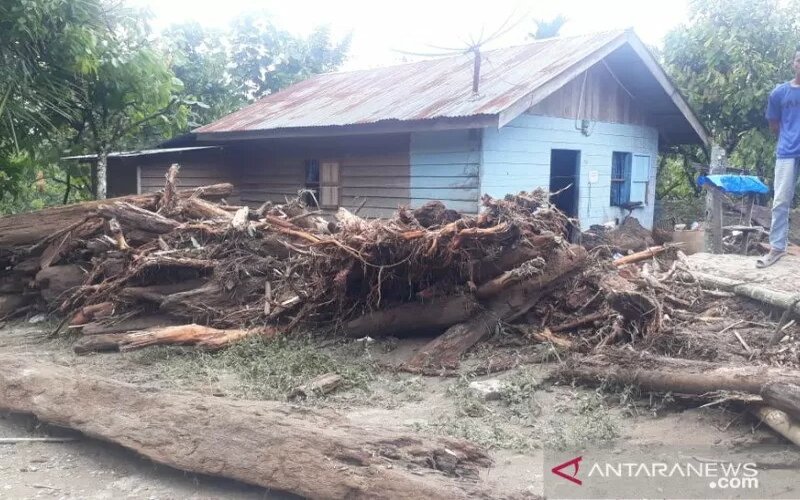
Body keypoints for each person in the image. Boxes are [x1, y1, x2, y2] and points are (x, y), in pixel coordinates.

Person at [758, 48, 800, 268]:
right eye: (799, 60)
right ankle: (776, 248)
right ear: (793, 63)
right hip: (787, 152)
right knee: (781, 200)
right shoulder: (779, 93)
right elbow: (774, 125)